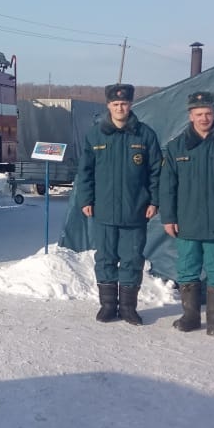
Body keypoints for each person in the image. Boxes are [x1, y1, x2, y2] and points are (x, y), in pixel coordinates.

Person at [160, 91, 214, 337]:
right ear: (190, 116)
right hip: (186, 224)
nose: (204, 118)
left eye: (208, 113)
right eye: (199, 114)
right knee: (187, 270)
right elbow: (167, 187)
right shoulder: (176, 147)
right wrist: (168, 217)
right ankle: (190, 318)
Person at [76, 83, 162, 325]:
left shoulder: (145, 135)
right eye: (115, 104)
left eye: (124, 103)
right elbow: (85, 171)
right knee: (105, 258)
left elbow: (156, 171)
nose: (120, 107)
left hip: (136, 210)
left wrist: (154, 200)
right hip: (103, 210)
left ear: (131, 105)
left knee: (132, 258)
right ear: (108, 106)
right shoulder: (96, 135)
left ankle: (128, 308)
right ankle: (108, 305)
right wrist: (86, 199)